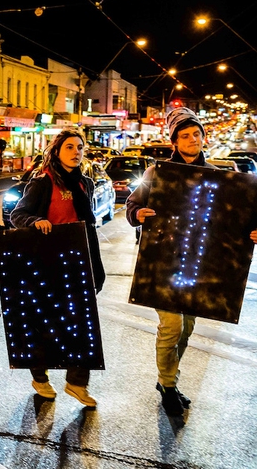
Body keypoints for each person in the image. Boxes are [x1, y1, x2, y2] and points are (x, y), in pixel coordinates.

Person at [126, 107, 257, 416]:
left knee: (187, 328)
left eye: (196, 134)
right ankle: (168, 386)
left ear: (203, 137)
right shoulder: (157, 173)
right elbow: (133, 203)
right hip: (162, 264)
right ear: (174, 141)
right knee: (171, 325)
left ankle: (168, 379)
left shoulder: (219, 175)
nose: (191, 139)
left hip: (200, 266)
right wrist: (137, 214)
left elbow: (236, 217)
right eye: (184, 135)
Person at [11, 128, 104, 408]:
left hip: (78, 264)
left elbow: (88, 228)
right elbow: (17, 215)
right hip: (48, 267)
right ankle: (39, 378)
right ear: (57, 151)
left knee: (83, 325)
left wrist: (96, 268)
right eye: (69, 147)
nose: (76, 152)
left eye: (80, 147)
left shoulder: (84, 183)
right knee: (42, 325)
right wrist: (35, 221)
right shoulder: (42, 182)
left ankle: (77, 384)